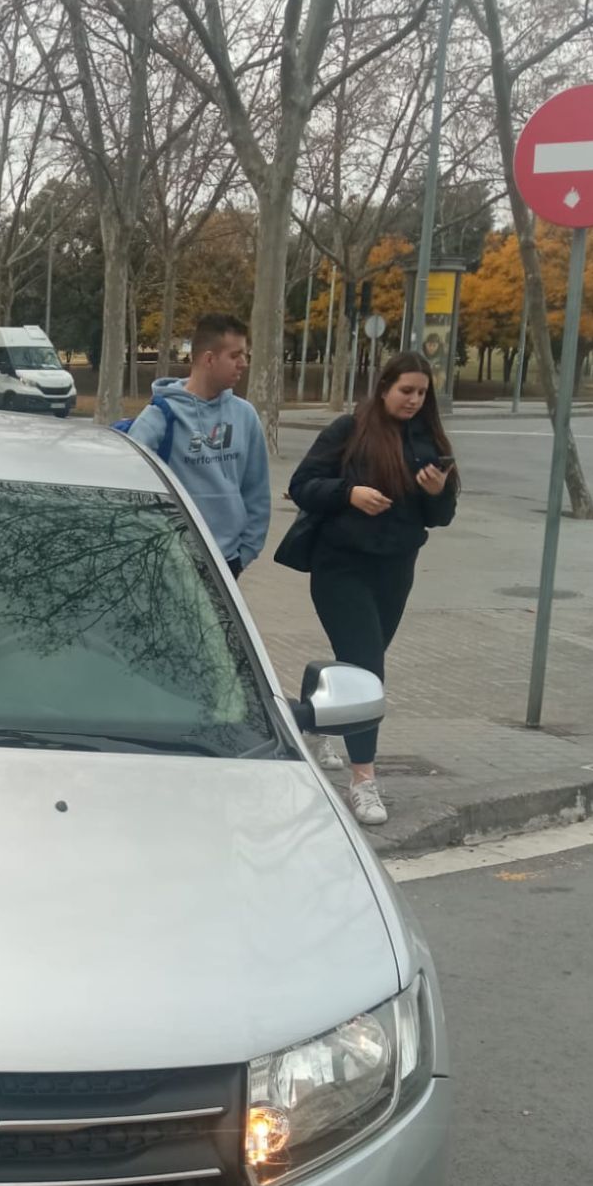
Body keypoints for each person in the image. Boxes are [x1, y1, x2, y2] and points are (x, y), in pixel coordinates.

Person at [288, 352, 459, 828]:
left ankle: (313, 722)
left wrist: (436, 493)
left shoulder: (428, 441)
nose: (414, 400)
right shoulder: (349, 430)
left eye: (421, 392)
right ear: (383, 388)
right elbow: (302, 484)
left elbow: (441, 517)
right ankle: (363, 779)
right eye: (406, 390)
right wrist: (349, 493)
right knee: (367, 669)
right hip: (340, 567)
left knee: (357, 661)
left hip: (395, 570)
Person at [126, 312, 271, 578]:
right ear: (209, 359)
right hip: (170, 564)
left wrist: (245, 553)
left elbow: (257, 491)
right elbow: (130, 492)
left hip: (227, 562)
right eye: (235, 355)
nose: (243, 363)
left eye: (245, 355)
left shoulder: (245, 415)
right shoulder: (159, 416)